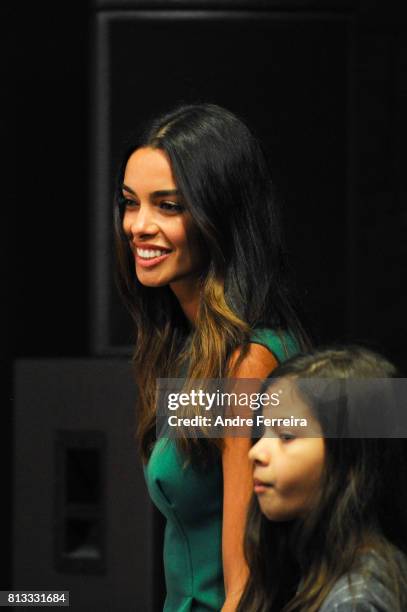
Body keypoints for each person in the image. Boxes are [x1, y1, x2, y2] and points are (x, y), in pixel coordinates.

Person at [113, 103, 310, 611]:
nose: (138, 225)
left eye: (169, 206)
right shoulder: (189, 345)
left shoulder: (248, 361)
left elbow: (246, 589)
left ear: (220, 216)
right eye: (131, 203)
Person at [240, 346, 407, 612]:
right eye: (261, 433)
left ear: (349, 458)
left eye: (286, 436)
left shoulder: (354, 602)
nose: (255, 452)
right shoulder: (307, 570)